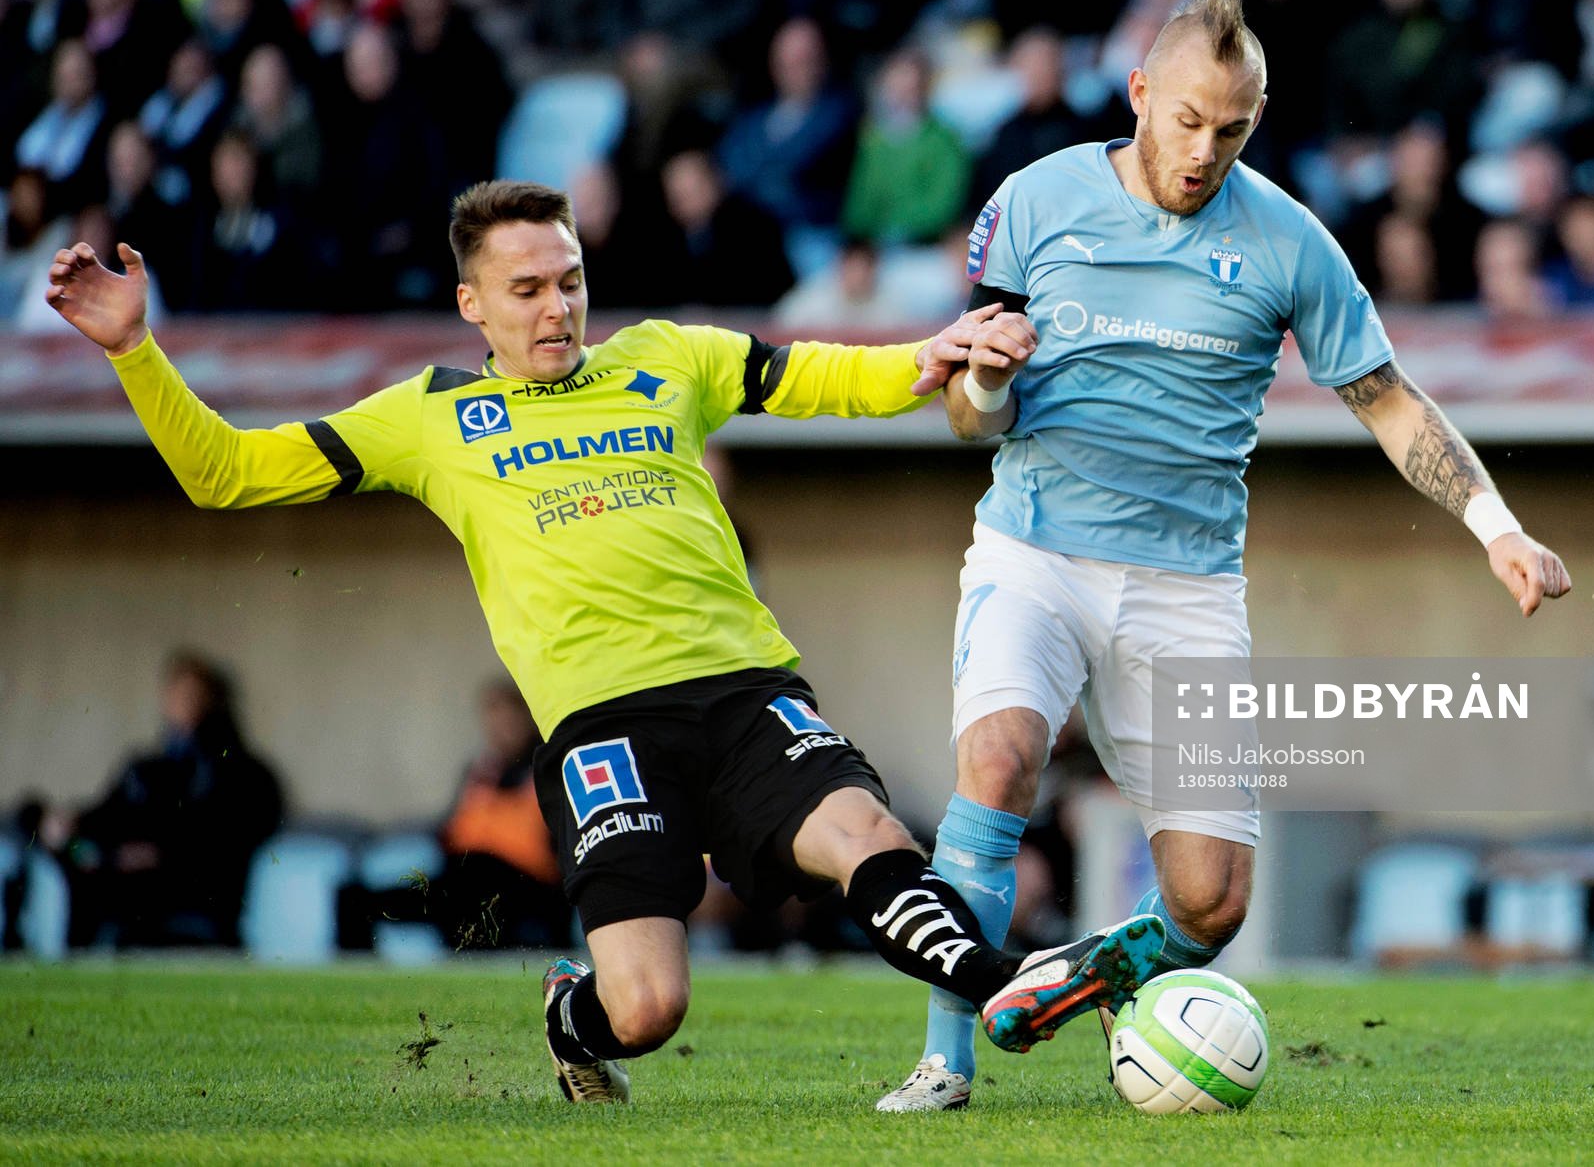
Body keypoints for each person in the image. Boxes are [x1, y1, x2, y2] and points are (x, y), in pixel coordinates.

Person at [44, 179, 1164, 1104]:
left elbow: (815, 374)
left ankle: (1012, 982)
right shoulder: (428, 417)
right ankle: (568, 1016)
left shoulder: (665, 359)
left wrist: (932, 351)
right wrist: (137, 350)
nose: (556, 308)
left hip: (743, 691)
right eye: (526, 289)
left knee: (863, 828)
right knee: (647, 1008)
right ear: (471, 304)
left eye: (570, 279)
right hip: (603, 733)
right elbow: (225, 473)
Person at [880, 0, 1572, 1113]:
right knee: (999, 762)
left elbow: (1390, 402)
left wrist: (1496, 526)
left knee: (1209, 907)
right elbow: (968, 414)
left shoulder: (1290, 238)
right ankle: (942, 1066)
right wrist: (990, 382)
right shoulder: (1034, 199)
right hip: (1034, 553)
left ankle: (1079, 975)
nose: (1204, 152)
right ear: (1141, 93)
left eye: (1234, 129)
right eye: (1189, 119)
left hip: (1185, 586)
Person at [37, 650, 283, 949]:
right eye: (176, 695)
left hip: (191, 887)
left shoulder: (242, 773)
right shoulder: (146, 770)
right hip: (118, 872)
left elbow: (221, 837)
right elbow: (110, 812)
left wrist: (159, 853)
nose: (182, 705)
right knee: (69, 846)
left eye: (193, 696)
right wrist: (70, 823)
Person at [336, 679, 572, 952]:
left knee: (475, 893)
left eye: (510, 720)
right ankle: (361, 978)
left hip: (521, 888)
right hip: (461, 880)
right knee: (352, 898)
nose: (502, 730)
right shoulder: (479, 772)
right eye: (493, 720)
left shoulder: (548, 771)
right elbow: (448, 832)